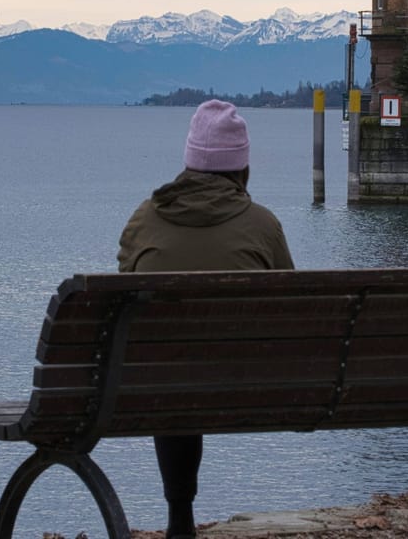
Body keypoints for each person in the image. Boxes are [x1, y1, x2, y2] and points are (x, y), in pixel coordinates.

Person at [117, 99, 293, 538]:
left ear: (190, 161)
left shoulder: (144, 220)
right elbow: (293, 306)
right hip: (253, 388)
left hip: (159, 387)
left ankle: (180, 519)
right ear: (242, 167)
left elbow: (124, 303)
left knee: (171, 369)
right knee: (186, 367)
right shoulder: (263, 225)